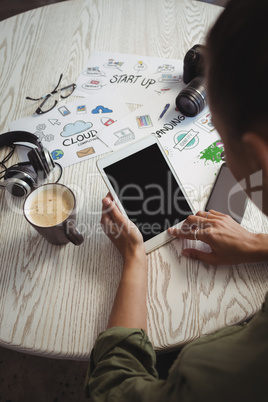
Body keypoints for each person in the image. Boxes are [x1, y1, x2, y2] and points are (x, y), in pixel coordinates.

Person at [85, 0, 268, 400]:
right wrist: (259, 244)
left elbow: (111, 387)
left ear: (257, 157)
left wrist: (134, 257)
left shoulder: (215, 374)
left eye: (220, 135)